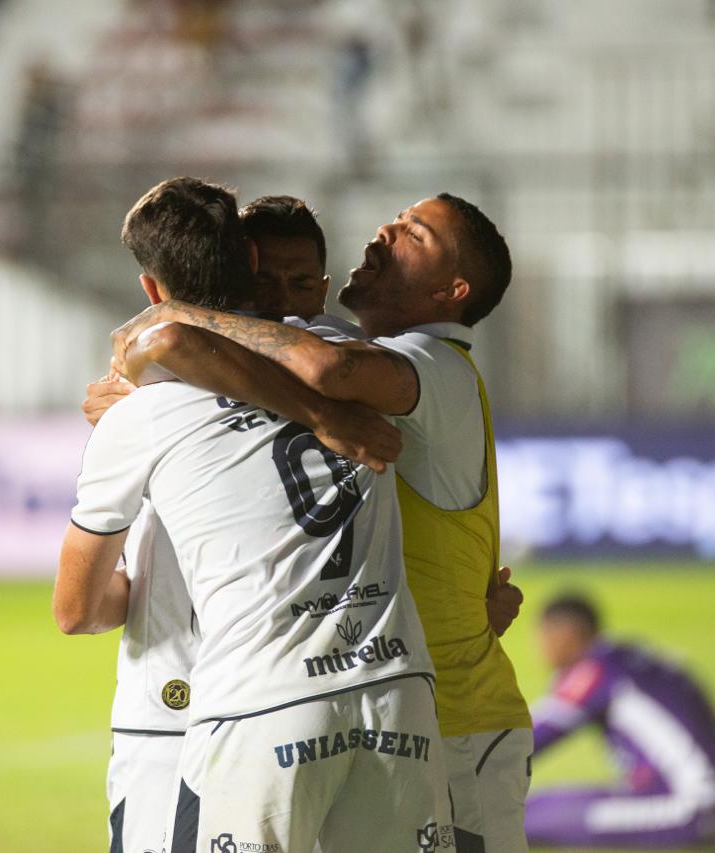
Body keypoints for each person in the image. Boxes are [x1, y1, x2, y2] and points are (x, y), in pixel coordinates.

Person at [112, 192, 533, 852]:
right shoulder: (372, 364)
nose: (385, 232)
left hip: (455, 720)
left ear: (453, 289)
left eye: (413, 234)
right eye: (393, 220)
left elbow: (324, 367)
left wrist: (179, 324)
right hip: (389, 701)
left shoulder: (429, 364)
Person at [56, 178, 452, 852]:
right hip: (393, 689)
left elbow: (75, 609)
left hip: (228, 699)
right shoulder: (352, 363)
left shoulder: (141, 409)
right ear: (255, 269)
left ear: (153, 292)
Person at [526, 594, 715, 849]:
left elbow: (524, 739)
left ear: (567, 634)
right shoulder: (631, 658)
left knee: (521, 817)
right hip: (710, 805)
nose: (540, 647)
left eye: (543, 636)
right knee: (544, 806)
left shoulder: (595, 670)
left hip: (689, 809)